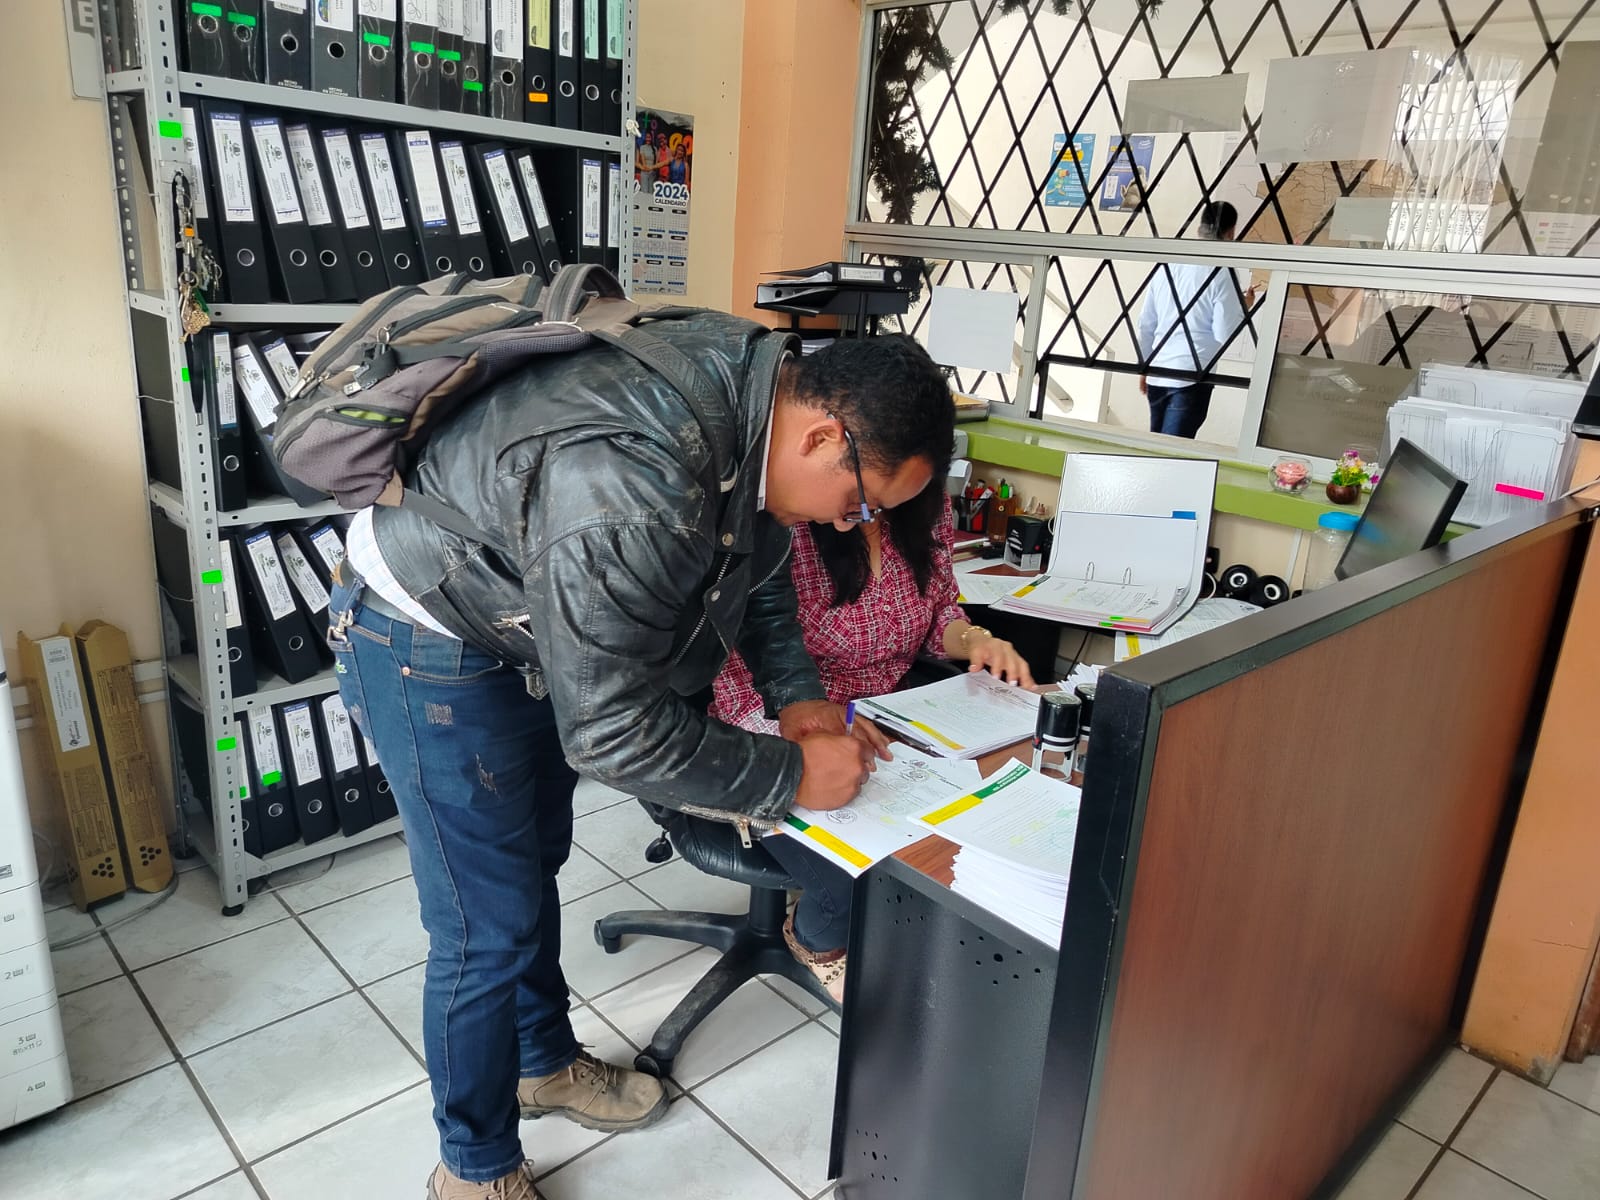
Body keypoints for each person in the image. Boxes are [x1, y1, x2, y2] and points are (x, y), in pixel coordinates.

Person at [327, 325, 953, 1200]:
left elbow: (758, 565)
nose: (849, 525)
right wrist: (788, 777)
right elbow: (610, 733)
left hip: (525, 617)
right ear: (822, 437)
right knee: (482, 923)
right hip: (428, 636)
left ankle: (541, 1063)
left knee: (531, 867)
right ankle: (474, 1169)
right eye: (858, 503)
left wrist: (800, 698)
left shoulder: (761, 400)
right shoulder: (637, 484)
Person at [710, 484, 1033, 999]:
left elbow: (939, 612)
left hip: (893, 727)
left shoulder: (925, 509)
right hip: (776, 733)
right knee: (849, 893)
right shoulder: (792, 515)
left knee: (960, 853)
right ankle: (817, 944)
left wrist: (978, 641)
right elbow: (738, 669)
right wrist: (809, 733)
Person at [1136, 200, 1258, 439]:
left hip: (1158, 370)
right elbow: (1223, 332)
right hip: (1192, 374)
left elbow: (1146, 323)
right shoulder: (1222, 271)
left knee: (1155, 446)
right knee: (1174, 450)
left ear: (1199, 228)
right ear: (1231, 232)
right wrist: (1244, 307)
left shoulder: (1167, 266)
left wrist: (1144, 366)